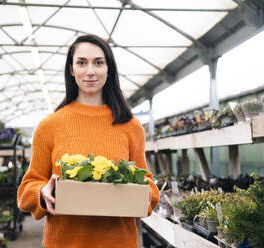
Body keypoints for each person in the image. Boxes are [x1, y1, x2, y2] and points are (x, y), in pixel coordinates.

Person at [17, 34, 160, 248]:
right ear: (72, 70)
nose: (90, 71)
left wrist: (142, 193)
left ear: (108, 69)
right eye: (82, 63)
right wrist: (42, 193)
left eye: (98, 63)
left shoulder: (131, 126)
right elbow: (26, 190)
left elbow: (148, 186)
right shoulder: (50, 125)